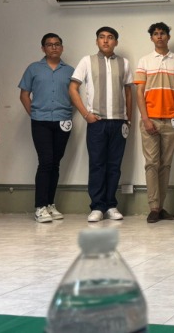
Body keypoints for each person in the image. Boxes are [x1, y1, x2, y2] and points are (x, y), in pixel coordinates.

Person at [69, 27, 133, 222]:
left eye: (110, 37)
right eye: (102, 37)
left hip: (119, 122)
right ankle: (97, 206)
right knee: (97, 164)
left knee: (114, 165)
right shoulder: (86, 61)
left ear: (116, 42)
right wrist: (86, 114)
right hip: (97, 122)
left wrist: (128, 119)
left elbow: (128, 92)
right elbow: (73, 88)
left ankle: (111, 205)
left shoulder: (124, 63)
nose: (106, 41)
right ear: (97, 41)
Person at [135, 22, 174, 223]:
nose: (159, 36)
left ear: (168, 37)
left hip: (172, 121)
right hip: (150, 120)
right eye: (156, 34)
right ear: (151, 38)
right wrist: (146, 118)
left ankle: (161, 206)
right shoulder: (144, 61)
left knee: (165, 165)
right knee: (151, 164)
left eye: (162, 33)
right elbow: (139, 92)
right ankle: (154, 207)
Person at [19, 33, 74, 223]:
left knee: (55, 163)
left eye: (57, 44)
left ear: (62, 48)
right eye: (49, 44)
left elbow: (75, 95)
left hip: (63, 121)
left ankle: (50, 204)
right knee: (45, 162)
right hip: (40, 121)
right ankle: (40, 206)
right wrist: (34, 114)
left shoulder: (70, 71)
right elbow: (24, 95)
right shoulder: (33, 69)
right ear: (43, 48)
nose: (53, 47)